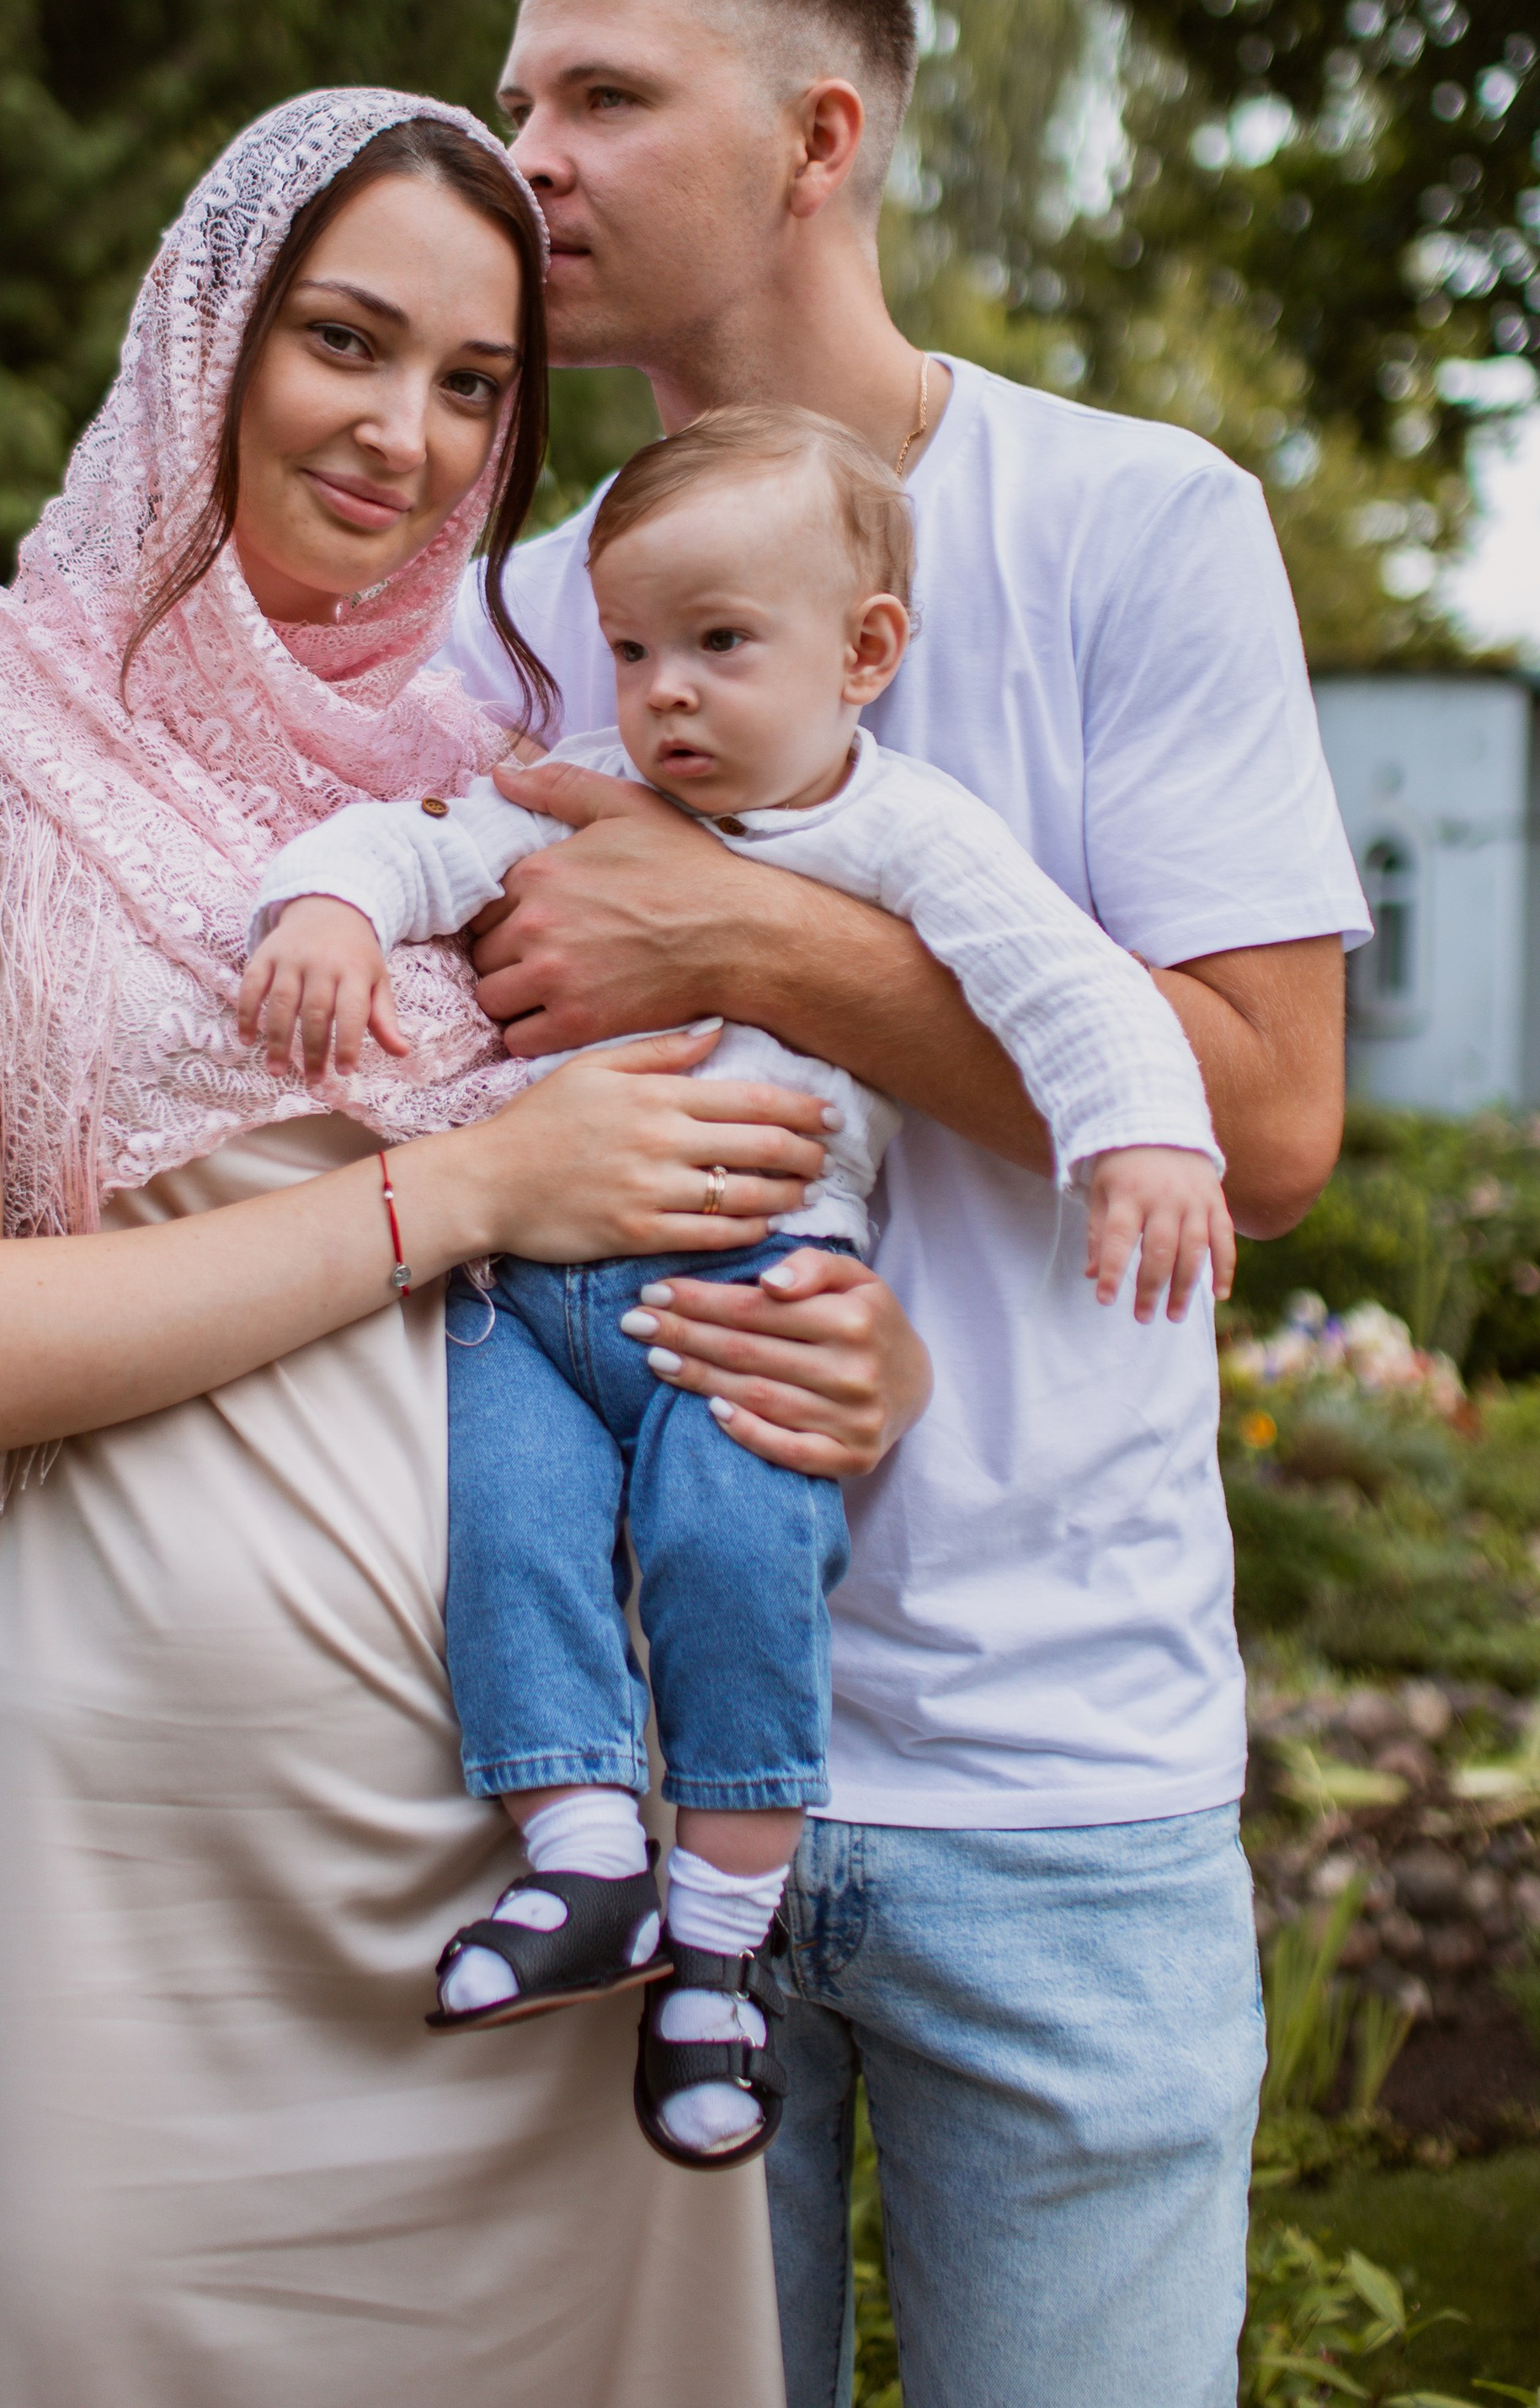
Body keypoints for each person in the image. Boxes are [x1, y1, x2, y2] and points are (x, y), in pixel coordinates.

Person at [0, 84, 929, 2408]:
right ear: (209, 330)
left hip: (538, 1835)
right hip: (126, 1830)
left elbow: (789, 1107)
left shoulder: (537, 749)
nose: (406, 433)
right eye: (344, 341)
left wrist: (860, 1354)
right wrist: (468, 1191)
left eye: (478, 383)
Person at [438, 0, 1369, 2407]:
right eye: (520, 97)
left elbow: (1266, 1122)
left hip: (1055, 1792)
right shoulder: (503, 616)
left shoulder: (1134, 523)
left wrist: (733, 935)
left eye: (605, 96)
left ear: (820, 133)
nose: (531, 159)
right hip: (609, 1796)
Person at [242, 398, 1231, 2176]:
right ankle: (579, 1867)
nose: (664, 693)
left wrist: (1144, 1141)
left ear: (863, 654)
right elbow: (416, 842)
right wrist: (320, 905)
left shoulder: (902, 836)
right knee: (511, 1532)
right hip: (533, 1289)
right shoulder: (590, 803)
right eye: (631, 649)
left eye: (716, 645)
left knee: (726, 1550)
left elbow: (1071, 993)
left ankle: (717, 1948)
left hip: (751, 1289)